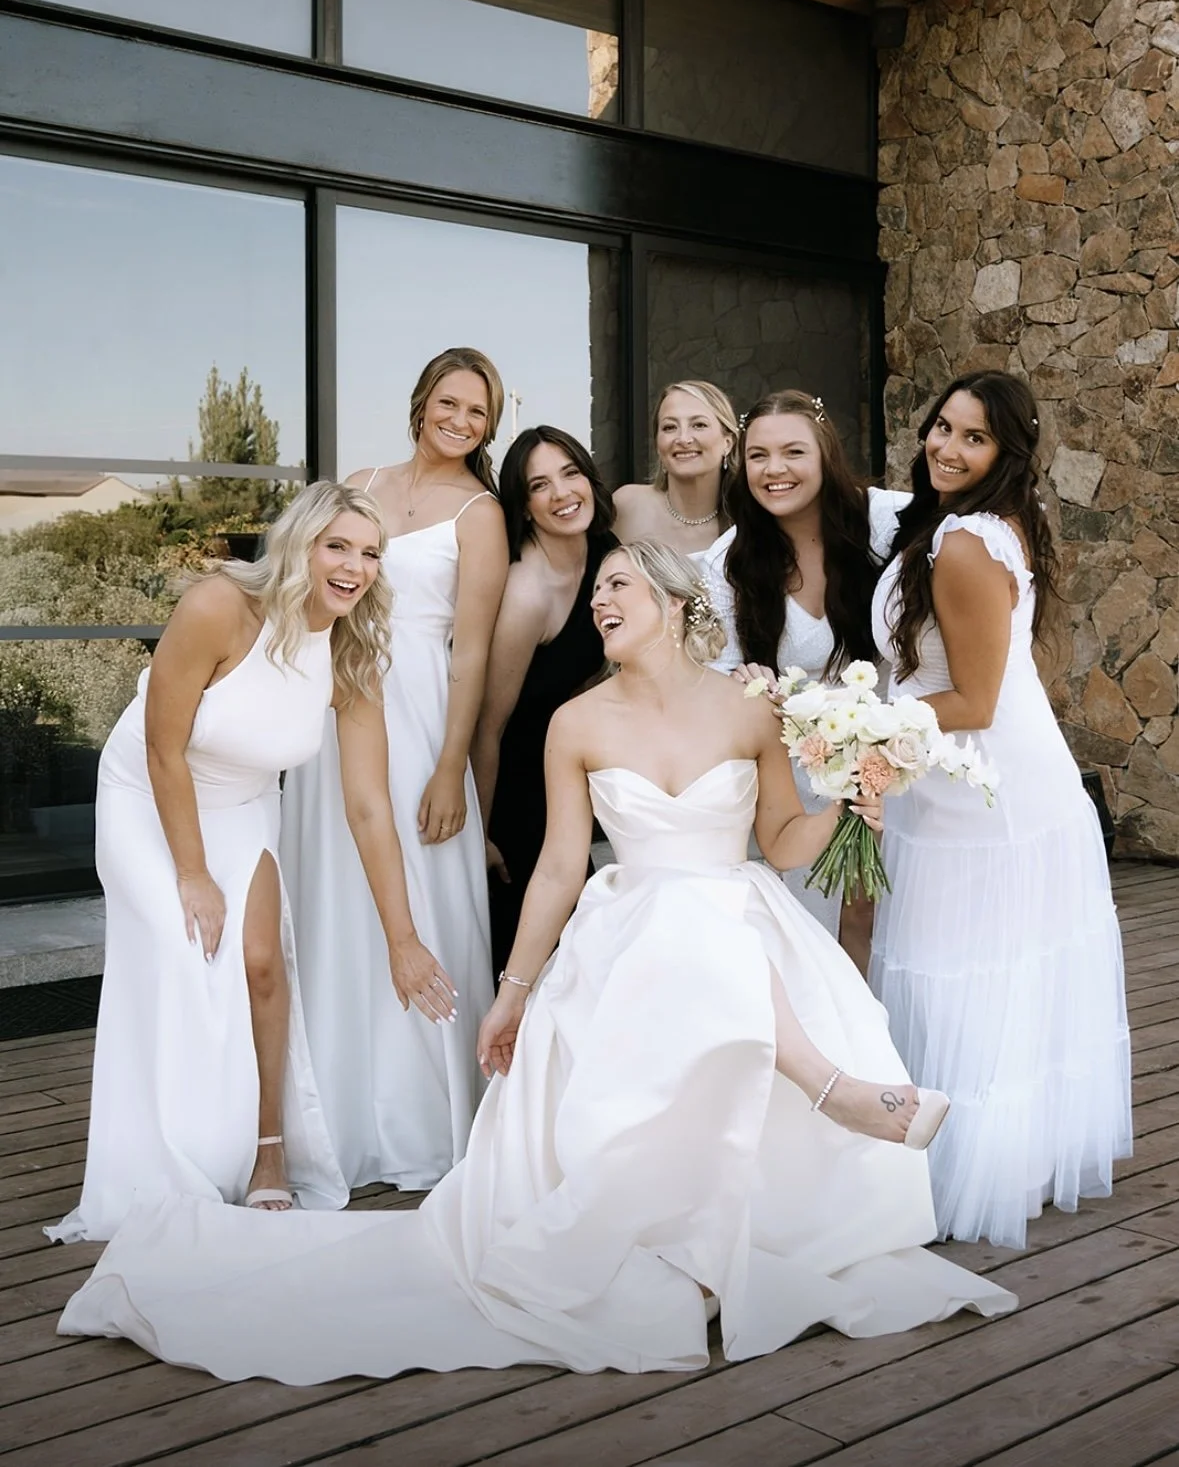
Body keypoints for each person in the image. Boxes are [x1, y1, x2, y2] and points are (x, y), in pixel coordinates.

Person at [58, 541, 1015, 1380]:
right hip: (635, 929)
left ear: (676, 606)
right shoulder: (576, 722)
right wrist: (512, 994)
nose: (600, 604)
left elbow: (783, 841)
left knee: (713, 910)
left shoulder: (752, 711)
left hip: (735, 916)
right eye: (596, 590)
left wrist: (851, 798)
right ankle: (830, 1086)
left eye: (619, 587)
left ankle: (786, 1139)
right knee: (689, 914)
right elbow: (560, 867)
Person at [48, 482, 455, 1244]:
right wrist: (192, 873)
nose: (354, 567)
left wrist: (403, 938)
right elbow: (164, 748)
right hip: (146, 794)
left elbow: (368, 807)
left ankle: (269, 1150)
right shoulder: (218, 605)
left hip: (240, 805)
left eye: (370, 553)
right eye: (337, 546)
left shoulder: (352, 648)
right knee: (184, 948)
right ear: (299, 543)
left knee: (262, 960)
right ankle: (172, 1154)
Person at [870, 371, 1132, 1248]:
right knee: (969, 975)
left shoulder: (965, 546)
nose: (945, 446)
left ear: (1004, 454)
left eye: (970, 437)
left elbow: (974, 699)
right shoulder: (976, 524)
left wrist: (864, 718)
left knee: (960, 975)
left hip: (988, 800)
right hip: (963, 789)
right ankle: (960, 1155)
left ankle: (961, 1170)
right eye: (939, 426)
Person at [281, 348, 509, 1193]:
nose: (458, 421)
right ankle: (331, 1107)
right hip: (334, 700)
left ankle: (422, 1110)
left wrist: (452, 765)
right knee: (335, 887)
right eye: (448, 402)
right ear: (420, 401)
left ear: (488, 426)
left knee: (420, 885)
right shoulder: (361, 478)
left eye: (476, 412)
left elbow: (473, 648)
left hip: (420, 712)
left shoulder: (480, 512)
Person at [700, 389, 908, 970]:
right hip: (797, 760)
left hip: (894, 746)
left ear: (824, 454)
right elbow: (724, 668)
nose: (775, 470)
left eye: (793, 452)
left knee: (881, 913)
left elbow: (972, 527)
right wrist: (750, 682)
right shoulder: (731, 560)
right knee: (814, 929)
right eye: (759, 456)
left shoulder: (886, 520)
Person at [471, 425, 614, 975]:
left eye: (570, 473)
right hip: (520, 795)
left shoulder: (605, 550)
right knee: (536, 958)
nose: (562, 494)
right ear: (524, 507)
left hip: (575, 774)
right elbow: (488, 728)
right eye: (540, 486)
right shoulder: (526, 593)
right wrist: (478, 836)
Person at [612, 379, 738, 557]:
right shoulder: (626, 506)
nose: (683, 439)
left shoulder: (747, 519)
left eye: (699, 425)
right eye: (670, 427)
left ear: (727, 443)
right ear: (657, 444)